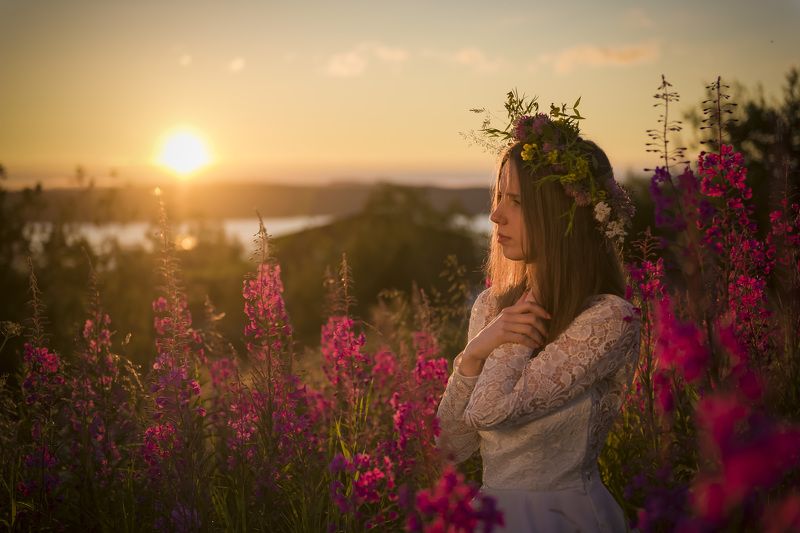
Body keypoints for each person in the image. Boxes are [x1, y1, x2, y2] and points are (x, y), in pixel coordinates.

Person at [436, 101, 642, 532]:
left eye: (515, 201)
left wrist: (509, 335)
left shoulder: (608, 320)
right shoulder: (491, 307)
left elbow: (492, 410)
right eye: (497, 198)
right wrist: (473, 355)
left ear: (559, 216)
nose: (495, 216)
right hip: (490, 518)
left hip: (565, 518)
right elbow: (451, 448)